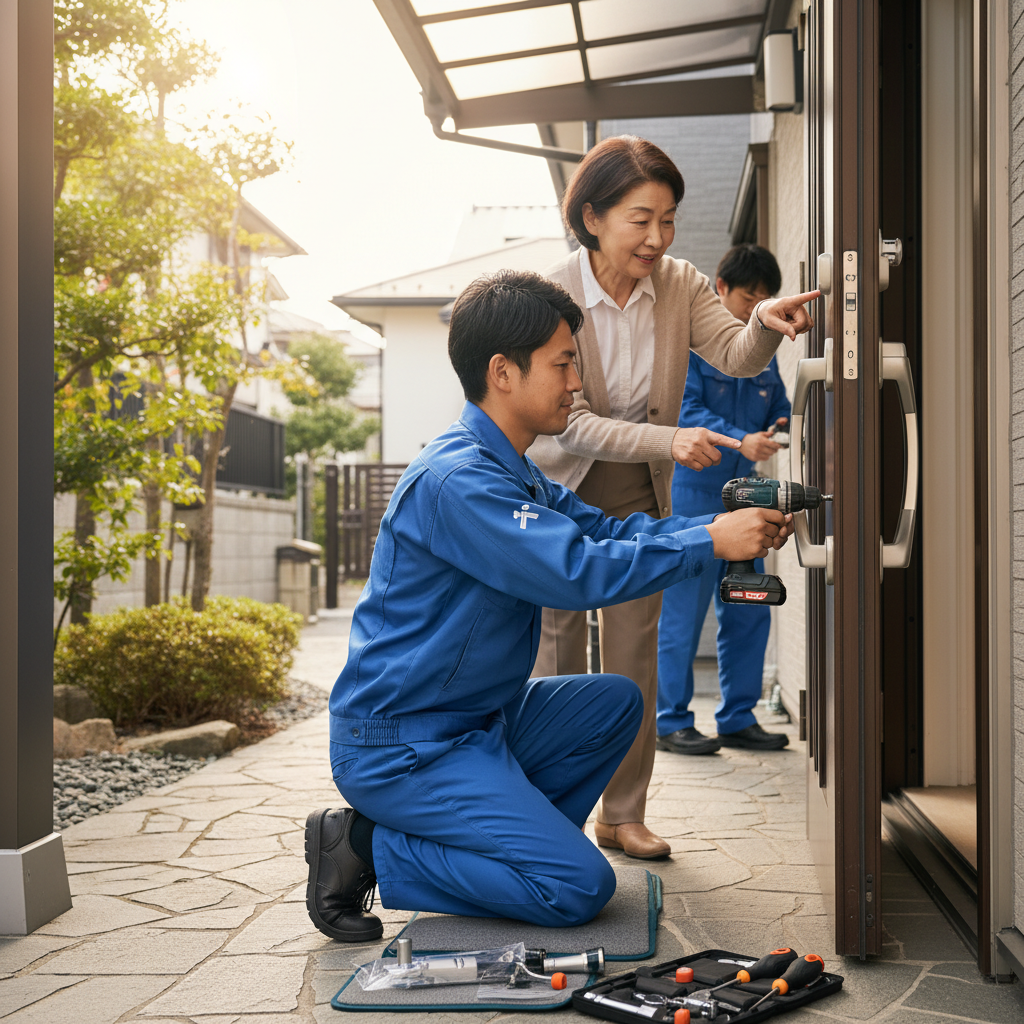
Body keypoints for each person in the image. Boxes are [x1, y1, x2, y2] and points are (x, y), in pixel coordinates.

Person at [304, 270, 792, 942]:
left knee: (615, 702)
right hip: (404, 744)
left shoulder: (514, 468)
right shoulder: (459, 481)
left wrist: (709, 537)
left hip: (477, 722)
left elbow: (606, 533)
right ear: (503, 373)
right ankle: (362, 847)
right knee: (577, 886)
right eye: (564, 364)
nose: (576, 384)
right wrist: (710, 539)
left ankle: (511, 846)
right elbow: (575, 571)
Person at [528, 136, 817, 859]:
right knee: (555, 651)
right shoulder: (549, 292)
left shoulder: (682, 283)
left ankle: (623, 814)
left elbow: (734, 353)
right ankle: (549, 818)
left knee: (633, 653)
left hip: (634, 487)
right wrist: (670, 440)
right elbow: (569, 419)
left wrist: (764, 323)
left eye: (669, 219)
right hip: (555, 483)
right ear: (592, 217)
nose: (657, 238)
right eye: (640, 219)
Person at [656, 244, 793, 756]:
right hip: (693, 497)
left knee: (748, 607)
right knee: (682, 615)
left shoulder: (763, 355)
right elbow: (684, 411)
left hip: (747, 500)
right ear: (721, 289)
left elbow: (779, 407)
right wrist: (742, 438)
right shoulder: (691, 350)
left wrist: (781, 425)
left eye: (764, 297)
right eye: (748, 296)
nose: (754, 305)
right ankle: (670, 722)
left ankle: (738, 717)